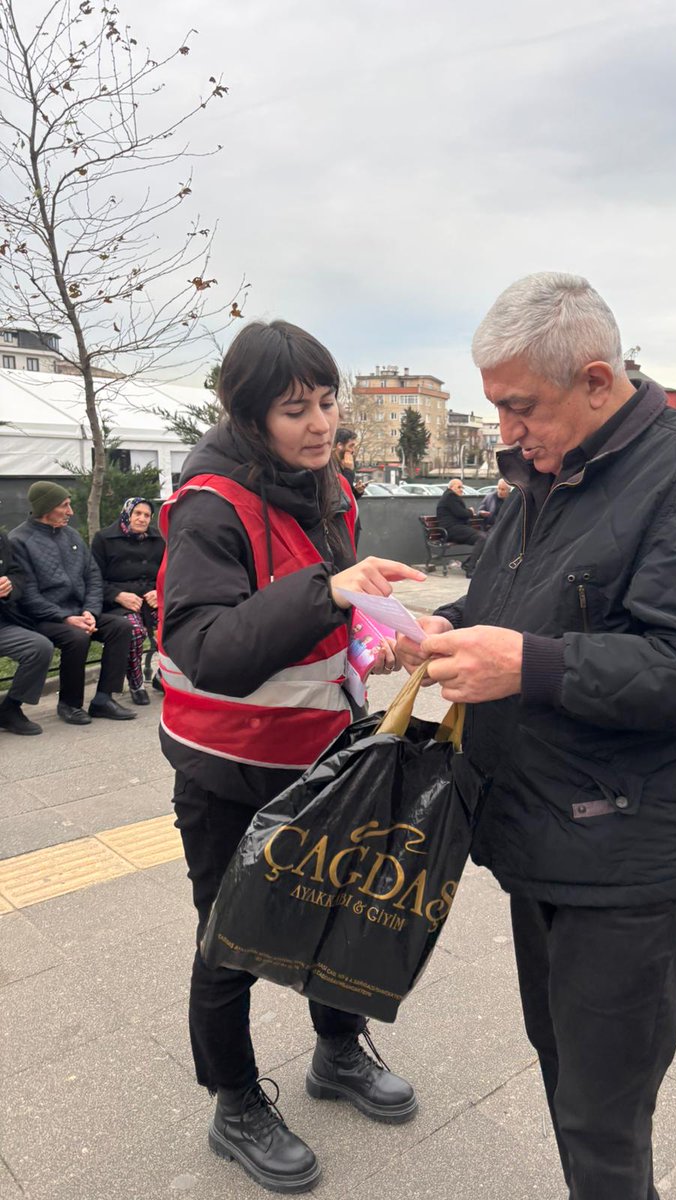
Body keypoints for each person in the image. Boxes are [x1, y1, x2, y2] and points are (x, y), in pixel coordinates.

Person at [394, 272, 676, 1200]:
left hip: (626, 856)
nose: (508, 433)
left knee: (603, 1114)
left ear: (598, 380)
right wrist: (445, 628)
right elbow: (504, 602)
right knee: (561, 1067)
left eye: (522, 408)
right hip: (540, 830)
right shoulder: (543, 473)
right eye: (498, 409)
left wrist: (530, 665)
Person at [157, 319, 423, 1194]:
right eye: (293, 408)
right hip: (227, 768)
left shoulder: (328, 485)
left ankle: (337, 1053)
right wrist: (331, 590)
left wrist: (384, 642)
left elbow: (332, 617)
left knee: (340, 910)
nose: (320, 423)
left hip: (325, 751)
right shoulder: (210, 502)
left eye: (326, 400)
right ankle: (234, 1100)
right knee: (227, 939)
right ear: (246, 413)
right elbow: (209, 645)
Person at [9, 482, 137, 724]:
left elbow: (93, 576)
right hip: (43, 618)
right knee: (76, 637)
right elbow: (28, 595)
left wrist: (90, 611)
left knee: (120, 627)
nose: (70, 512)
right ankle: (69, 703)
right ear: (46, 508)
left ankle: (103, 699)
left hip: (80, 611)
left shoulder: (72, 535)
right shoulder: (19, 541)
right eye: (64, 506)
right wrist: (65, 617)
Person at [91, 497, 165, 705]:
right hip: (117, 603)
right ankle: (136, 683)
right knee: (133, 629)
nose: (142, 519)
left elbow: (168, 573)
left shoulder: (159, 540)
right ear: (127, 513)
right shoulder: (104, 539)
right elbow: (94, 578)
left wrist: (160, 592)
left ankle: (163, 676)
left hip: (150, 600)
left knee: (176, 622)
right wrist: (118, 595)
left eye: (147, 515)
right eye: (137, 514)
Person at [0, 523, 54, 735]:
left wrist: (9, 585)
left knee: (39, 647)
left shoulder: (2, 539)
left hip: (3, 623)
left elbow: (17, 574)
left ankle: (10, 709)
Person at [436, 477, 486, 577]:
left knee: (486, 538)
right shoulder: (450, 496)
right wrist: (470, 511)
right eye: (459, 487)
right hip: (452, 530)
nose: (461, 490)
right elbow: (461, 513)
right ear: (451, 487)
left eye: (462, 488)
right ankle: (470, 568)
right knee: (483, 538)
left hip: (456, 529)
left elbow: (459, 512)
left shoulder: (450, 497)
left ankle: (468, 564)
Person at [333, 426, 367, 496]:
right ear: (340, 446)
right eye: (351, 446)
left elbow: (346, 500)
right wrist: (348, 470)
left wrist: (357, 492)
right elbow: (339, 495)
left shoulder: (340, 465)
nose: (353, 450)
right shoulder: (328, 466)